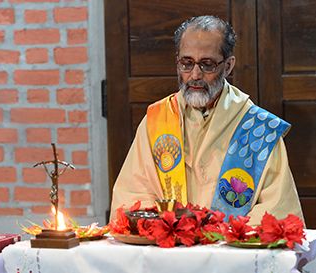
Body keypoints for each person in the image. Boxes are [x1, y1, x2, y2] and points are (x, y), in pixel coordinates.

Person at [110, 15, 303, 225]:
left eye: (207, 65)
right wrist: (169, 228)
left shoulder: (259, 129)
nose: (194, 74)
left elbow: (278, 210)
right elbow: (131, 195)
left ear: (228, 66)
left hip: (230, 253)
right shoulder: (157, 120)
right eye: (186, 63)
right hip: (169, 252)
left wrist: (220, 237)